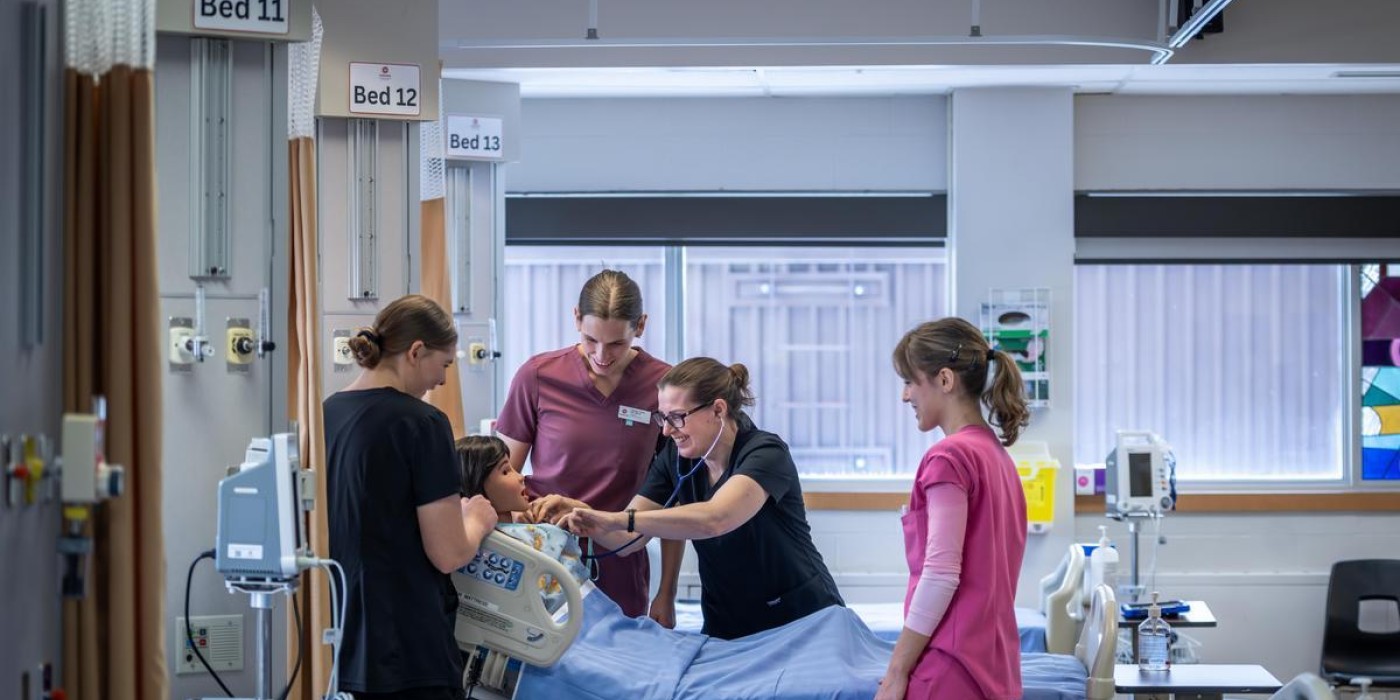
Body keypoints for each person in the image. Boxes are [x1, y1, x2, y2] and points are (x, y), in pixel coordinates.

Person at [559, 357, 845, 640]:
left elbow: (715, 519)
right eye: (662, 418)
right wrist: (585, 518)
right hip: (727, 624)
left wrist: (617, 519)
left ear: (718, 409)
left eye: (677, 417)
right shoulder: (676, 459)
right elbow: (627, 539)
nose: (666, 430)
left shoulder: (766, 453)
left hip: (800, 619)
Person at [324, 294, 498, 700]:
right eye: (445, 365)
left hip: (343, 636)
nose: (443, 381)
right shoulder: (422, 423)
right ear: (417, 351)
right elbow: (448, 553)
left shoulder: (327, 413)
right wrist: (476, 519)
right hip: (406, 646)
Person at [495, 269, 674, 620]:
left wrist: (666, 593)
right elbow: (499, 477)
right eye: (591, 340)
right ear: (576, 318)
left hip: (619, 556)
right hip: (543, 552)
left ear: (640, 326)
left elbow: (672, 503)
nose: (602, 355)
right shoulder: (538, 376)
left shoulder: (663, 386)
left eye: (616, 343)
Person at [876, 318, 1031, 700]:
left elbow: (941, 575)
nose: (905, 396)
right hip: (996, 670)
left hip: (951, 671)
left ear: (945, 380)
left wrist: (896, 671)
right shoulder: (996, 456)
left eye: (910, 381)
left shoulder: (949, 457)